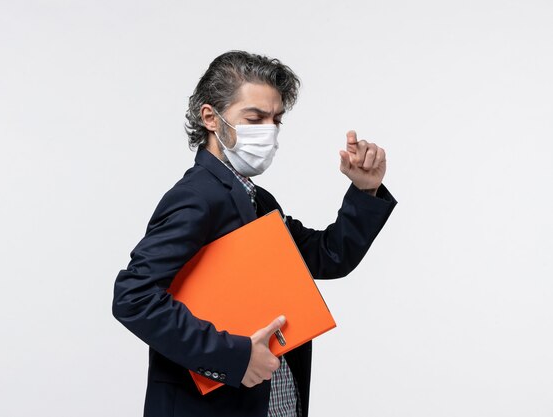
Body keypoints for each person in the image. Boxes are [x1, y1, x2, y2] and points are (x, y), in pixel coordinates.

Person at [112, 50, 397, 417]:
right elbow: (133, 296)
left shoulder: (258, 199)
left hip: (271, 402)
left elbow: (327, 256)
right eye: (255, 117)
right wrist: (236, 357)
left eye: (275, 119)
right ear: (211, 118)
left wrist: (365, 190)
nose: (269, 130)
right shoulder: (196, 197)